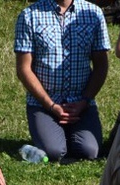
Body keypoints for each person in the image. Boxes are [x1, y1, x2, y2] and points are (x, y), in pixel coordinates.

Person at [14, 0, 110, 162]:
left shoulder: (94, 14)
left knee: (90, 151)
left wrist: (85, 101)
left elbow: (101, 66)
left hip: (81, 103)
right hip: (43, 104)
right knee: (54, 152)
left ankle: (69, 133)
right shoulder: (29, 15)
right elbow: (24, 70)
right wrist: (50, 105)